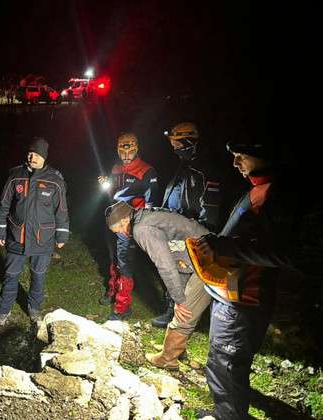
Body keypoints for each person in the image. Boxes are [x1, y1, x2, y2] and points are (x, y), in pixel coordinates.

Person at [197, 139, 295, 419]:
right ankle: (226, 412)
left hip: (245, 299)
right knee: (221, 361)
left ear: (263, 155)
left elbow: (282, 253)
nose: (235, 162)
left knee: (227, 364)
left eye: (241, 155)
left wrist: (225, 247)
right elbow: (246, 237)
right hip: (230, 292)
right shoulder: (256, 188)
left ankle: (229, 416)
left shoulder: (276, 196)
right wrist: (218, 243)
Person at [105, 201, 212, 370]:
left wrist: (179, 300)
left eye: (119, 230)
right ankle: (179, 350)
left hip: (207, 261)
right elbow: (175, 249)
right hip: (195, 257)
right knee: (182, 303)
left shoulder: (142, 229)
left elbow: (165, 265)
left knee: (185, 311)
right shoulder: (143, 216)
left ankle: (168, 358)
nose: (122, 234)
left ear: (125, 220)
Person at [0, 137, 69, 326]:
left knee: (38, 276)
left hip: (43, 239)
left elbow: (61, 210)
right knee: (11, 275)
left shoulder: (55, 180)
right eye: (30, 153)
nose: (32, 157)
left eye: (37, 154)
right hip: (17, 236)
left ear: (44, 157)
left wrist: (62, 234)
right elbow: (3, 205)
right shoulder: (15, 176)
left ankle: (34, 309)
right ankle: (3, 310)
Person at [153, 122, 223, 328]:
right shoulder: (185, 164)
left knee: (183, 271)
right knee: (173, 267)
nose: (173, 147)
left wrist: (200, 233)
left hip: (191, 229)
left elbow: (210, 205)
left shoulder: (204, 169)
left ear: (188, 141)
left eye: (176, 143)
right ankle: (173, 310)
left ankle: (178, 315)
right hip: (176, 225)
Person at [97, 132, 160, 320]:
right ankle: (113, 290)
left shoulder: (147, 171)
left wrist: (138, 226)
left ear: (136, 149)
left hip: (129, 225)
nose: (125, 156)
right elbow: (113, 193)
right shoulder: (116, 168)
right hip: (113, 220)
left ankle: (122, 306)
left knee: (125, 263)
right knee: (114, 258)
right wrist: (106, 183)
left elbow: (152, 204)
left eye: (129, 152)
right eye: (122, 152)